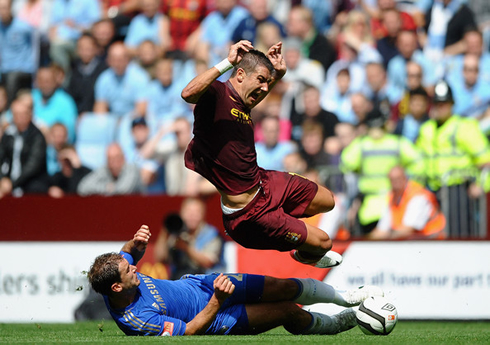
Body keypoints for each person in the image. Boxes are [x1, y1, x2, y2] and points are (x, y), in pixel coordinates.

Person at [181, 40, 341, 268]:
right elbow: (188, 93)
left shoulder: (242, 103)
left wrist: (277, 75)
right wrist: (227, 62)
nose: (265, 88)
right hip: (249, 213)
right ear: (240, 74)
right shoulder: (216, 95)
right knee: (324, 243)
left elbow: (254, 97)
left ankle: (294, 230)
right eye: (261, 80)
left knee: (328, 201)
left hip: (264, 182)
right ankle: (301, 251)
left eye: (267, 82)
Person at [88, 224, 384, 336]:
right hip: (218, 316)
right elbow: (188, 332)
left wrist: (133, 244)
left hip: (202, 284)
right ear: (116, 287)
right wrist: (218, 300)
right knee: (287, 310)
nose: (134, 268)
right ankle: (338, 324)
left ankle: (344, 297)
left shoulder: (116, 277)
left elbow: (125, 254)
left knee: (283, 285)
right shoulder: (137, 319)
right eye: (129, 272)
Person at [416, 80, 490, 236]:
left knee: (458, 235)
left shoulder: (464, 127)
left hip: (458, 192)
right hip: (433, 192)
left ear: (452, 104)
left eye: (444, 103)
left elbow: (486, 160)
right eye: (437, 103)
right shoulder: (426, 129)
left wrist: (481, 185)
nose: (440, 107)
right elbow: (418, 163)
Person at [367, 166, 446, 240]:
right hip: (413, 244)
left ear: (405, 178)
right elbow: (382, 229)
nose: (395, 183)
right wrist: (366, 240)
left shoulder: (417, 195)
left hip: (433, 242)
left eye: (398, 179)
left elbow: (409, 229)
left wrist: (387, 236)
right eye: (392, 180)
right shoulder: (392, 197)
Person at [154, 197, 224, 280]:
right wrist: (164, 233)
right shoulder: (177, 232)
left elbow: (208, 262)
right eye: (189, 212)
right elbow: (160, 258)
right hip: (178, 280)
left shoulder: (211, 234)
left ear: (203, 214)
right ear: (181, 213)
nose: (192, 216)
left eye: (196, 212)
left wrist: (186, 248)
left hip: (204, 282)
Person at [0, 96, 49, 198]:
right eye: (16, 114)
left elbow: (33, 166)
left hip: (30, 181)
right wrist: (3, 179)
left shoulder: (37, 136)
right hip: (9, 180)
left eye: (22, 114)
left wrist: (13, 184)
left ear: (30, 115)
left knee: (35, 189)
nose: (19, 118)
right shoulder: (8, 134)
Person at [77, 142, 143, 196]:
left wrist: (109, 189)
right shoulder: (104, 169)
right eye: (110, 159)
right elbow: (83, 188)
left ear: (124, 158)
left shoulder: (132, 169)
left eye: (116, 158)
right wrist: (107, 187)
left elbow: (123, 190)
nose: (113, 163)